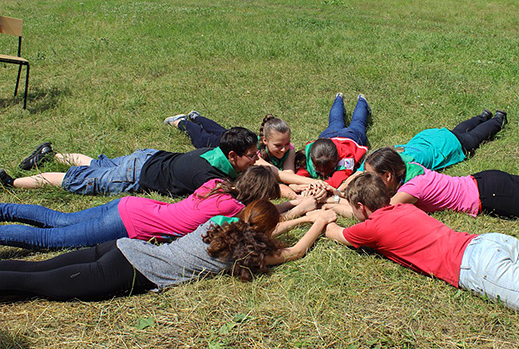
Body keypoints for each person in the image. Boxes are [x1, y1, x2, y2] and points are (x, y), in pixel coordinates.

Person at [325, 173, 519, 325]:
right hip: (490, 242)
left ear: (360, 207)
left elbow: (334, 232)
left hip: (478, 267)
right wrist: (334, 202)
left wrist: (320, 215)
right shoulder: (400, 207)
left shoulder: (370, 229)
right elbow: (365, 215)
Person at [0, 199, 337, 301]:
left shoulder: (219, 226)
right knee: (39, 287)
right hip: (130, 270)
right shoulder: (244, 255)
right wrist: (320, 222)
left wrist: (303, 216)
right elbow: (294, 253)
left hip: (118, 248)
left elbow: (264, 227)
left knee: (37, 269)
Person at [0, 165, 281, 250]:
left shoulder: (217, 185)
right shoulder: (232, 210)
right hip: (131, 224)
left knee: (60, 219)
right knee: (50, 240)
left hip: (133, 205)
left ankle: (4, 209)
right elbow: (256, 226)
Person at [0, 127, 259, 197]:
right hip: (134, 176)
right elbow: (233, 197)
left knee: (94, 165)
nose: (256, 157)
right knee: (74, 180)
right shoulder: (209, 177)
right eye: (251, 154)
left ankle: (51, 154)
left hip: (146, 156)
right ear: (232, 156)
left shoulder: (213, 151)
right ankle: (12, 182)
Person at [363, 146, 519, 222]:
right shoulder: (410, 167)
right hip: (487, 178)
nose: (367, 181)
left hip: (493, 195)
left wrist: (334, 202)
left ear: (388, 176)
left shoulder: (410, 190)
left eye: (371, 176)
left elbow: (379, 214)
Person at [163, 112, 329, 198]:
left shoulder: (287, 149)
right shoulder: (253, 155)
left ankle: (197, 116)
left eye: (287, 144)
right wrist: (309, 185)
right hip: (221, 147)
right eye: (278, 145)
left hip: (235, 141)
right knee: (202, 138)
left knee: (221, 130)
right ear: (264, 141)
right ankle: (182, 122)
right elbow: (278, 175)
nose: (284, 149)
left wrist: (300, 186)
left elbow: (288, 175)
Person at [337, 109, 507, 192]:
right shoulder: (385, 158)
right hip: (432, 136)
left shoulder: (415, 165)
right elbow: (360, 171)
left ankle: (497, 119)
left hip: (451, 145)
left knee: (475, 137)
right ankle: (482, 116)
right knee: (458, 130)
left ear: (390, 173)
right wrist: (343, 187)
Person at [296, 93, 371, 188]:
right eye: (319, 170)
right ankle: (360, 100)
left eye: (328, 170)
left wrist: (316, 186)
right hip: (333, 136)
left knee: (343, 121)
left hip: (349, 137)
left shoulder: (346, 160)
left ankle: (342, 98)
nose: (323, 174)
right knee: (354, 122)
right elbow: (299, 175)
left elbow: (335, 182)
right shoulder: (308, 154)